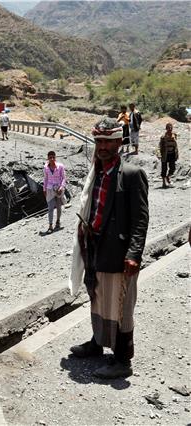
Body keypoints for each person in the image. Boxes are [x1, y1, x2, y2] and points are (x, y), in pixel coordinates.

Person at [68, 117, 149, 379]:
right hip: (95, 248)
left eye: (107, 141)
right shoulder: (98, 172)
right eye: (99, 141)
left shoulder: (131, 174)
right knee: (98, 298)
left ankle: (123, 360)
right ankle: (97, 342)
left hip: (119, 252)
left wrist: (134, 254)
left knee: (121, 305)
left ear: (118, 142)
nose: (102, 146)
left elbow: (140, 219)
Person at [42, 151, 66, 233]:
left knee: (59, 207)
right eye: (50, 157)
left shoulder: (60, 166)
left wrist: (61, 187)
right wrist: (44, 189)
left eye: (53, 157)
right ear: (48, 158)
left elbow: (64, 178)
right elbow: (45, 179)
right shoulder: (45, 167)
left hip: (58, 189)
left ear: (55, 157)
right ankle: (50, 226)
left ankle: (58, 221)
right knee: (50, 208)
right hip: (49, 189)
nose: (52, 159)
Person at [159, 123, 178, 188]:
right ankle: (164, 183)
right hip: (165, 154)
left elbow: (176, 146)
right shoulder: (163, 137)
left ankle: (168, 177)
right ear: (166, 128)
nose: (170, 129)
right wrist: (159, 154)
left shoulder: (174, 135)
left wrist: (177, 154)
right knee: (164, 169)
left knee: (173, 168)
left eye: (171, 128)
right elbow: (160, 146)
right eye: (168, 128)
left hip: (172, 154)